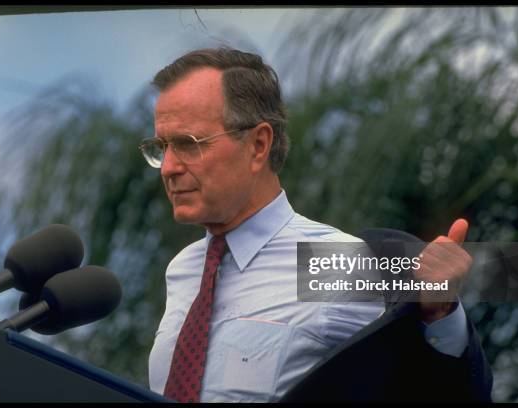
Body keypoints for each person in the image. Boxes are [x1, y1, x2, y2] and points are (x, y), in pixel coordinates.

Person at [142, 47, 491, 402]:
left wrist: (439, 313)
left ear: (258, 145)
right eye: (161, 147)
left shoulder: (333, 261)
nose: (168, 167)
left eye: (188, 144)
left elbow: (427, 390)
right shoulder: (183, 270)